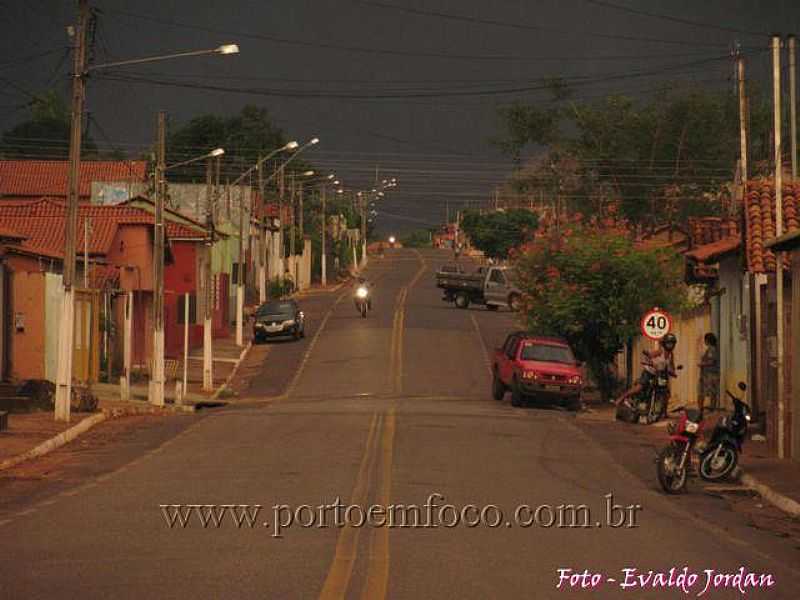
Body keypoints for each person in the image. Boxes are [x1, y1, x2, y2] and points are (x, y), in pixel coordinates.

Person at [615, 333, 678, 408]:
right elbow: (650, 355)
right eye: (668, 343)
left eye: (671, 343)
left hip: (660, 375)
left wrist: (673, 372)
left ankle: (663, 413)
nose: (670, 345)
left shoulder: (671, 355)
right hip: (650, 372)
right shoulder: (660, 351)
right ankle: (621, 398)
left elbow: (672, 366)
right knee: (639, 388)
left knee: (666, 392)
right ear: (665, 343)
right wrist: (650, 361)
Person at [699, 332, 720, 411]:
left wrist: (702, 364)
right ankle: (712, 407)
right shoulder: (714, 349)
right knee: (713, 392)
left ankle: (703, 409)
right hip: (713, 374)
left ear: (707, 340)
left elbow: (711, 362)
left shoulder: (711, 349)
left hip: (709, 374)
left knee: (703, 392)